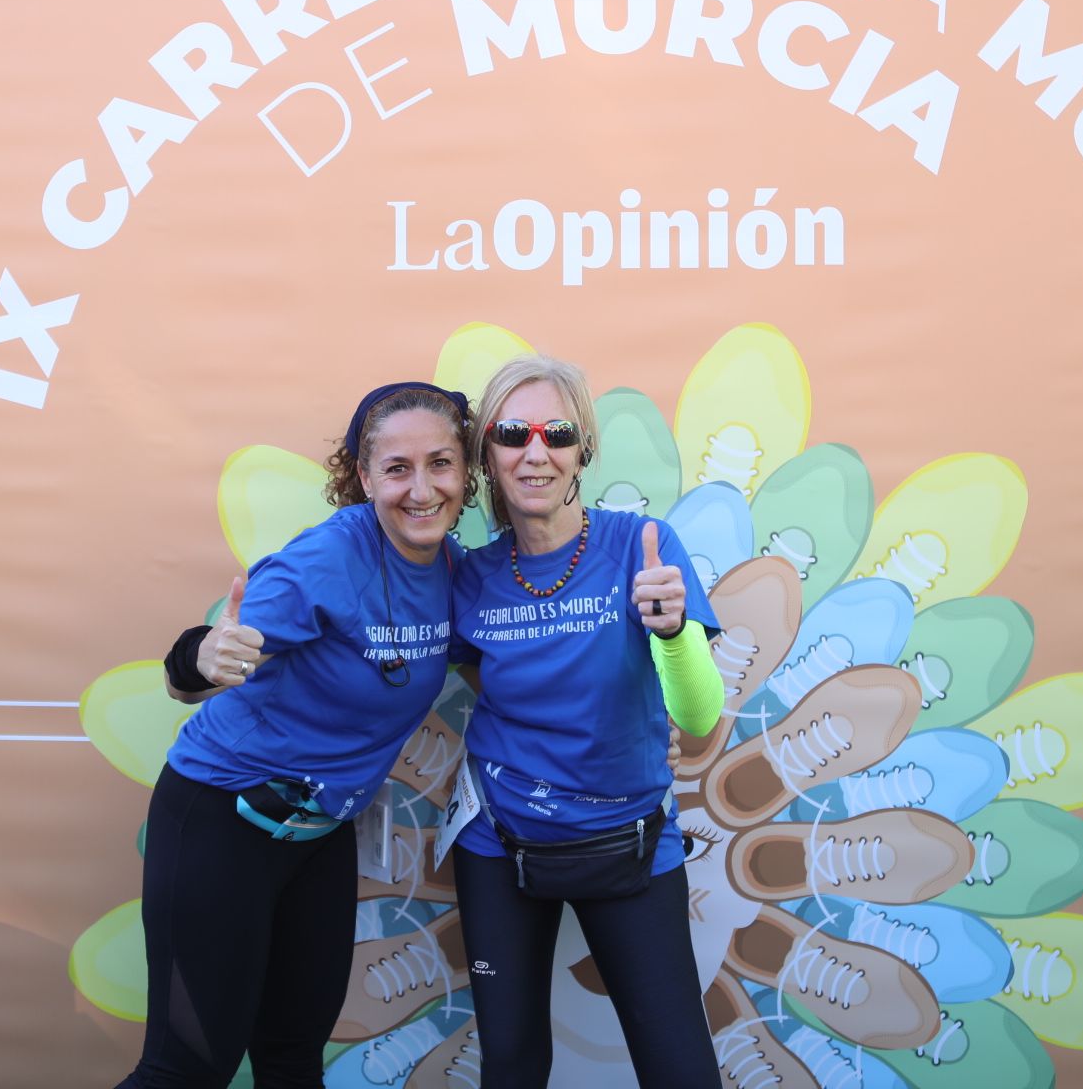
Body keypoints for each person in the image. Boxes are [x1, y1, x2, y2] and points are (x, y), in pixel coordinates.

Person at [119, 381, 478, 1089]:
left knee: (291, 1061)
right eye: (397, 469)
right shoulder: (329, 560)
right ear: (364, 476)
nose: (422, 488)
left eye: (440, 463)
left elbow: (521, 660)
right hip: (220, 819)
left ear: (466, 472)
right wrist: (204, 657)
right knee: (186, 1070)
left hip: (318, 838)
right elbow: (187, 670)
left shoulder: (453, 571)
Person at [446, 354, 725, 1089]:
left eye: (557, 432)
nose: (535, 451)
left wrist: (671, 634)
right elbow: (480, 678)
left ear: (583, 451)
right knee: (510, 1066)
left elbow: (696, 718)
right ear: (488, 455)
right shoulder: (469, 576)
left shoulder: (644, 548)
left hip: (630, 841)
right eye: (512, 433)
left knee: (679, 1070)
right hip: (498, 847)